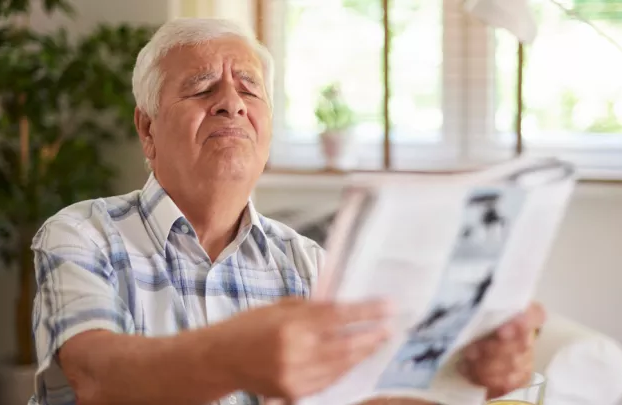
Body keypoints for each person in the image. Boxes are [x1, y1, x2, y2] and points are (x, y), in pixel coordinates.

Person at [29, 18, 546, 405]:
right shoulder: (82, 233)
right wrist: (234, 356)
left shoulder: (310, 265)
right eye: (202, 88)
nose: (232, 102)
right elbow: (93, 379)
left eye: (249, 89)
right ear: (147, 129)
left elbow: (369, 395)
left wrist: (475, 375)